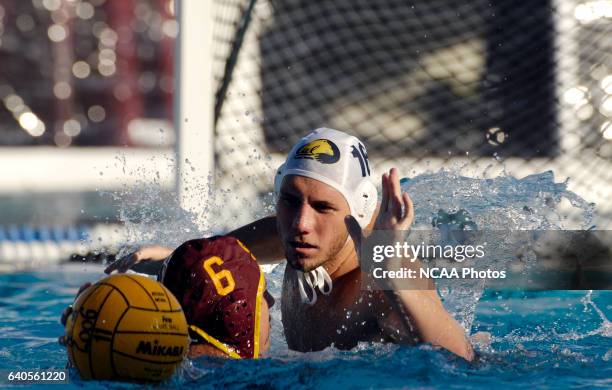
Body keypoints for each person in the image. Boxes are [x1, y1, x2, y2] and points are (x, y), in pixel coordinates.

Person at [105, 128, 474, 361]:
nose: (301, 224)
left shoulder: (382, 279)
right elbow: (214, 269)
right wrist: (170, 265)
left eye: (323, 207)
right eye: (290, 201)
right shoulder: (287, 235)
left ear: (359, 211)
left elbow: (461, 361)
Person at [61, 235, 272, 359]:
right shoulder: (265, 379)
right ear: (241, 313)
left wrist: (86, 344)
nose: (269, 303)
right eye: (262, 293)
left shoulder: (152, 362)